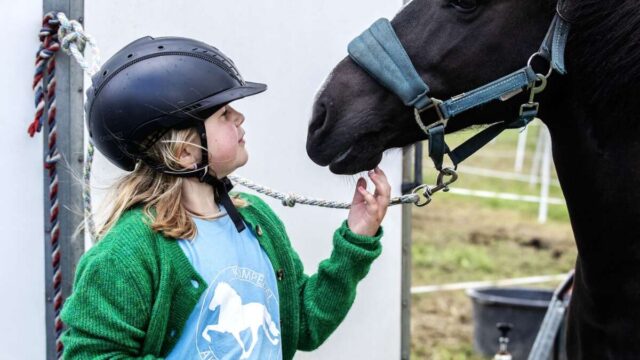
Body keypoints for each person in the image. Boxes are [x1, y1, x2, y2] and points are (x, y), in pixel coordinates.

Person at [60, 36, 391, 360]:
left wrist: (355, 241)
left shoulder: (255, 221)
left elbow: (303, 323)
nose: (240, 117)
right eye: (223, 114)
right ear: (185, 150)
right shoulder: (127, 253)